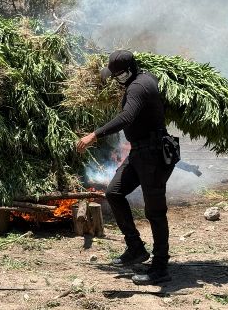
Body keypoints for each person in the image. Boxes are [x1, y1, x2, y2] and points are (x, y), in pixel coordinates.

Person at [76, 50, 179, 285]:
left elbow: (127, 117)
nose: (115, 79)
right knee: (114, 192)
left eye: (118, 75)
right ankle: (135, 248)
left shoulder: (137, 88)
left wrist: (95, 134)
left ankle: (160, 268)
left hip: (152, 155)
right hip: (140, 153)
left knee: (155, 212)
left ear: (129, 71)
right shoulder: (145, 78)